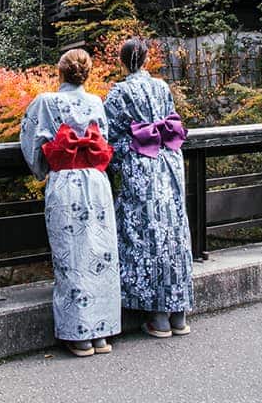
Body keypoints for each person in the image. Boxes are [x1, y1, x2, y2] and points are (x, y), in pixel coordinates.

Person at [19, 48, 121, 357]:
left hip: (66, 181)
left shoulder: (46, 102)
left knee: (71, 257)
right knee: (100, 253)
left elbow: (32, 141)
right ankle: (101, 333)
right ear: (87, 74)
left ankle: (79, 334)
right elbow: (104, 137)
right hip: (96, 182)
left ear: (60, 72)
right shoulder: (95, 102)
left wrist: (40, 169)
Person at [104, 37, 194, 338]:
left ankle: (158, 315)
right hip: (169, 160)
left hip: (140, 163)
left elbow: (110, 136)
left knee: (146, 232)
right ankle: (179, 314)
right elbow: (172, 121)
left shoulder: (119, 93)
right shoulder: (161, 87)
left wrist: (118, 159)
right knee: (174, 230)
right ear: (145, 59)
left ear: (122, 60)